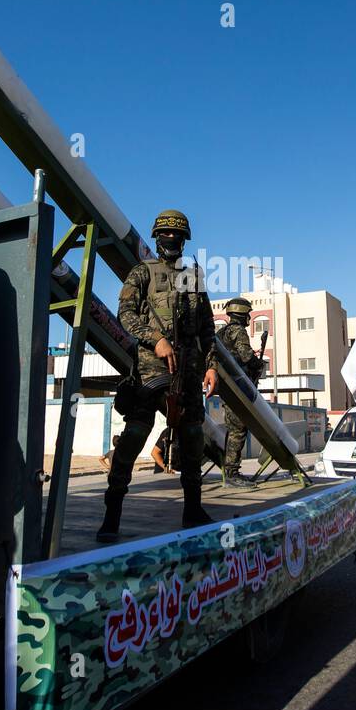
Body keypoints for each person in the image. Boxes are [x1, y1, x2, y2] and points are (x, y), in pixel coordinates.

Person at [98, 210, 218, 543]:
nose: (171, 241)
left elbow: (207, 328)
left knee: (193, 436)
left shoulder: (193, 276)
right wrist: (156, 339)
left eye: (176, 236)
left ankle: (192, 509)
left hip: (190, 370)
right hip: (151, 366)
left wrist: (211, 366)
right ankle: (113, 512)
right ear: (156, 237)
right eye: (165, 235)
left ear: (184, 240)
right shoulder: (142, 273)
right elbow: (126, 314)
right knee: (136, 433)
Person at [217, 297, 262, 489]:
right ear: (241, 314)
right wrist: (257, 363)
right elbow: (245, 356)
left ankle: (229, 470)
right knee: (238, 430)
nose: (249, 318)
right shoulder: (238, 331)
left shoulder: (222, 332)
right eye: (248, 315)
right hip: (237, 388)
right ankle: (232, 473)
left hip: (227, 387)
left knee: (232, 428)